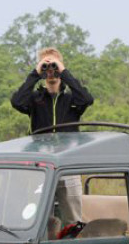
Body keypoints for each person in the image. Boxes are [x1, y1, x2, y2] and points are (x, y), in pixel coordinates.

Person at [10, 47, 95, 223]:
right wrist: (35, 73)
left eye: (54, 66)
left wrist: (64, 72)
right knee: (41, 217)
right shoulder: (35, 99)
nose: (51, 71)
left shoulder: (71, 99)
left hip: (68, 164)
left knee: (73, 217)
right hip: (41, 164)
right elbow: (17, 101)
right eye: (46, 67)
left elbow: (87, 99)